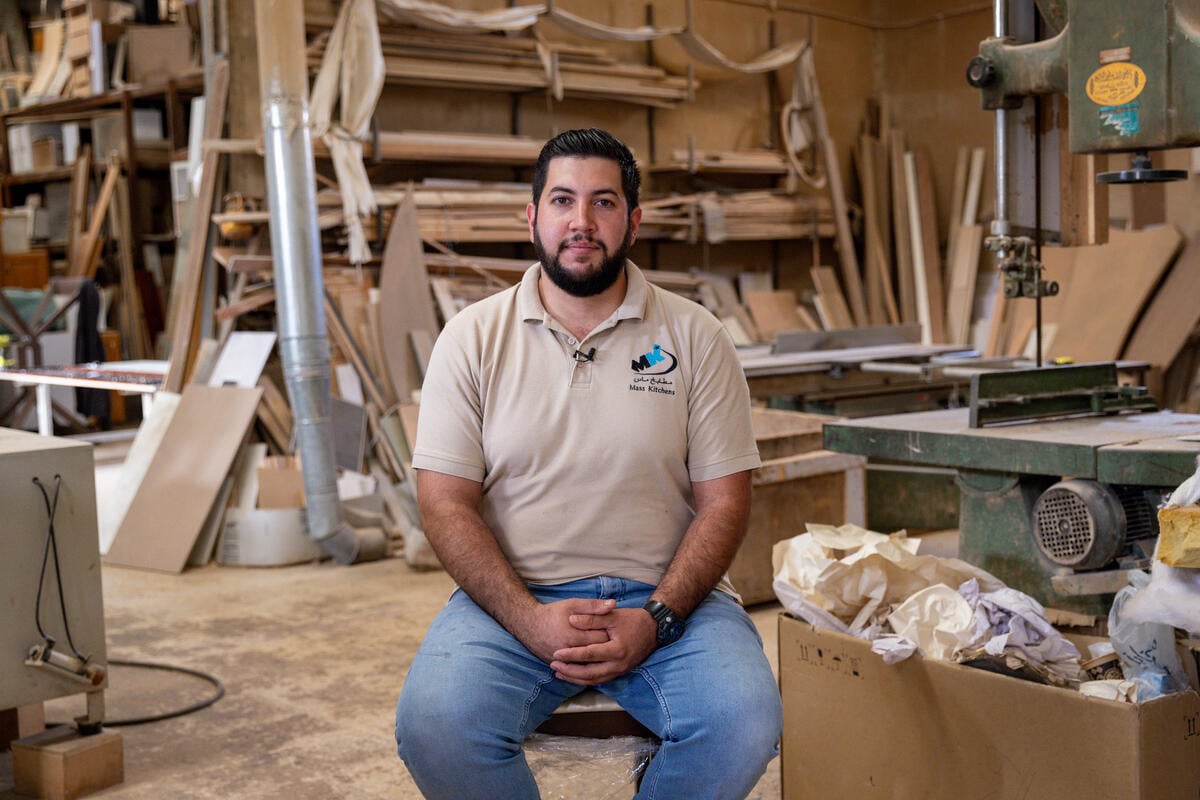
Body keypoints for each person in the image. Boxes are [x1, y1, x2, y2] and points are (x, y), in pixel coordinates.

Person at [394, 127, 783, 799]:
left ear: (634, 221)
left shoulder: (696, 336)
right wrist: (528, 620)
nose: (581, 221)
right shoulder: (471, 338)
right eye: (562, 200)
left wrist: (656, 619)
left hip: (672, 603)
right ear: (532, 217)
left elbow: (725, 502)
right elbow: (444, 503)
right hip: (514, 597)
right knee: (436, 726)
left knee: (743, 721)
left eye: (603, 202)